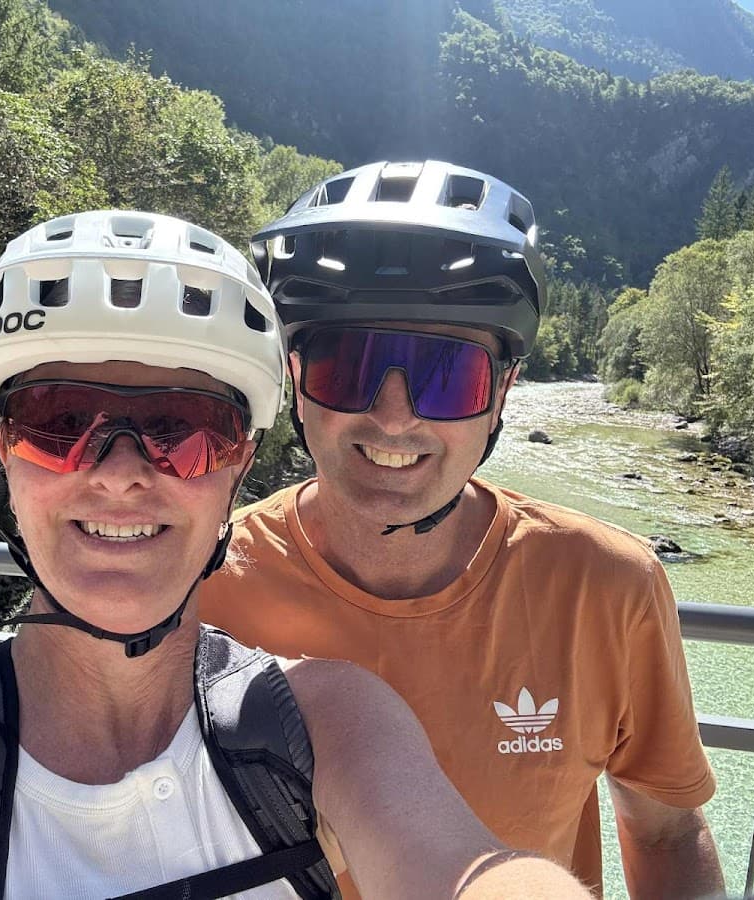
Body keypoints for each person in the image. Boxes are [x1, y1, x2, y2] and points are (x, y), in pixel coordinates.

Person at [0, 210, 592, 900]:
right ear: (5, 454)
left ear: (238, 463)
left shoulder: (326, 724)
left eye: (182, 430)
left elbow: (471, 872)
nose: (121, 475)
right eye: (59, 425)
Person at [197, 160, 725, 899]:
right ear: (294, 377)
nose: (393, 416)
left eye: (446, 374)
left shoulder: (607, 585)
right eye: (349, 366)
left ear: (502, 393)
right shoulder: (202, 580)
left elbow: (667, 832)